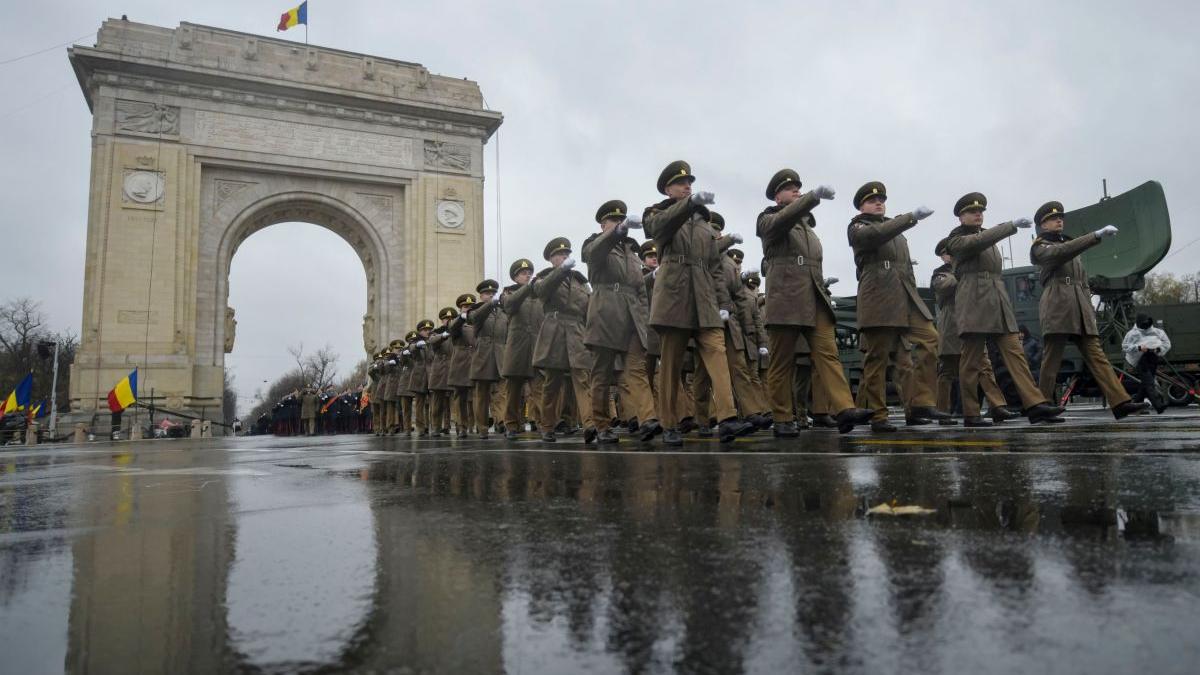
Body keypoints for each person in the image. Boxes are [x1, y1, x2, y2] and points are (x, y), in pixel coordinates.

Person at [643, 160, 755, 445]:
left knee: (717, 354)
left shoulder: (704, 225)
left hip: (704, 296)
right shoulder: (657, 212)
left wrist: (723, 303)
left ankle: (727, 418)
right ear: (667, 189)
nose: (687, 186)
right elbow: (657, 229)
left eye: (689, 183)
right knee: (671, 365)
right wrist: (688, 205)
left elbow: (715, 265)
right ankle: (669, 423)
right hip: (674, 295)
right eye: (681, 183)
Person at [756, 168, 873, 436]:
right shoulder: (768, 218)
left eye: (799, 187)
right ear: (777, 196)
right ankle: (782, 417)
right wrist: (811, 198)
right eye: (791, 188)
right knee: (782, 361)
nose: (797, 191)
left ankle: (844, 408)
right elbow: (779, 223)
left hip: (814, 297)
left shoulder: (807, 229)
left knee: (828, 354)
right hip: (786, 298)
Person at [944, 192, 1064, 426]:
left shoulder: (986, 236)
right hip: (974, 301)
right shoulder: (956, 240)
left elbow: (987, 249)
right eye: (972, 212)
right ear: (961, 217)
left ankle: (1035, 405)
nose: (978, 214)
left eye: (980, 211)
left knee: (1016, 355)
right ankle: (971, 412)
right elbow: (976, 243)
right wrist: (1009, 226)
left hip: (998, 301)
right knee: (972, 360)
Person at [1030, 201, 1148, 419]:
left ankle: (1120, 402)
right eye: (1053, 218)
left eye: (1060, 217)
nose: (1059, 220)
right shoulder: (1041, 247)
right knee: (1052, 359)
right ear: (1042, 225)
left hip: (1079, 304)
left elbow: (1080, 277)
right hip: (1057, 303)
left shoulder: (1069, 243)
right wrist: (1095, 236)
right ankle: (1041, 405)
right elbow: (1059, 254)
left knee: (1097, 356)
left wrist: (1088, 307)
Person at [846, 181, 948, 432]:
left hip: (904, 297)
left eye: (881, 200)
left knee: (928, 339)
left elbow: (906, 268)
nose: (879, 203)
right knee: (877, 359)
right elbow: (874, 236)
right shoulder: (858, 227)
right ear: (861, 206)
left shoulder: (896, 230)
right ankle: (879, 416)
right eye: (872, 201)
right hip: (879, 298)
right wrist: (910, 217)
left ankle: (920, 404)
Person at [581, 200, 660, 444]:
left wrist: (644, 320)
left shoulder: (631, 253)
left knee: (636, 369)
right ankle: (601, 424)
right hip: (605, 312)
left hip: (631, 315)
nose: (618, 223)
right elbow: (592, 253)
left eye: (621, 220)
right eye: (614, 220)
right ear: (603, 224)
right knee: (602, 374)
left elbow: (640, 290)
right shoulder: (595, 244)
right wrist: (617, 232)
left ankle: (648, 419)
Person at [930, 240, 1012, 424]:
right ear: (942, 257)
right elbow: (944, 286)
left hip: (973, 322)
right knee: (947, 371)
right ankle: (943, 412)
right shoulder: (940, 274)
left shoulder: (968, 268)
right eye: (946, 253)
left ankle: (997, 406)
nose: (950, 256)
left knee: (984, 366)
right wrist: (965, 274)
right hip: (952, 327)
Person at [533, 238, 595, 442]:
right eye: (560, 255)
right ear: (551, 259)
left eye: (567, 254)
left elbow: (589, 306)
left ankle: (590, 424)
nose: (565, 257)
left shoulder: (579, 281)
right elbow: (541, 291)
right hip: (555, 330)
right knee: (552, 382)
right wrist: (560, 271)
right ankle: (547, 425)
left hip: (577, 330)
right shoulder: (544, 277)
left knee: (582, 379)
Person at [500, 259, 543, 440]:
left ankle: (545, 425)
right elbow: (509, 305)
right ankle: (511, 425)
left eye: (529, 273)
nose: (528, 275)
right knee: (513, 390)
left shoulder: (538, 294)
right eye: (524, 273)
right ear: (515, 277)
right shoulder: (508, 293)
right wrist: (528, 288)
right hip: (516, 347)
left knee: (539, 389)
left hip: (536, 346)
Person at [466, 280, 508, 439]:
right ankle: (482, 427)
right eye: (487, 293)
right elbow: (474, 318)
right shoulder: (475, 311)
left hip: (500, 356)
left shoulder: (502, 312)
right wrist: (489, 305)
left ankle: (501, 421)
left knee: (501, 392)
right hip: (483, 356)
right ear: (481, 296)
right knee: (482, 395)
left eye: (493, 293)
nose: (490, 296)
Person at [1124, 313, 1172, 413]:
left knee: (1145, 384)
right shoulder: (1132, 334)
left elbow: (1167, 344)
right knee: (1149, 382)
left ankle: (1135, 405)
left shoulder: (1158, 332)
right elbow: (1125, 347)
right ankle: (1158, 406)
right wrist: (1138, 347)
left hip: (1153, 357)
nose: (1145, 325)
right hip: (1139, 359)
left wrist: (1159, 349)